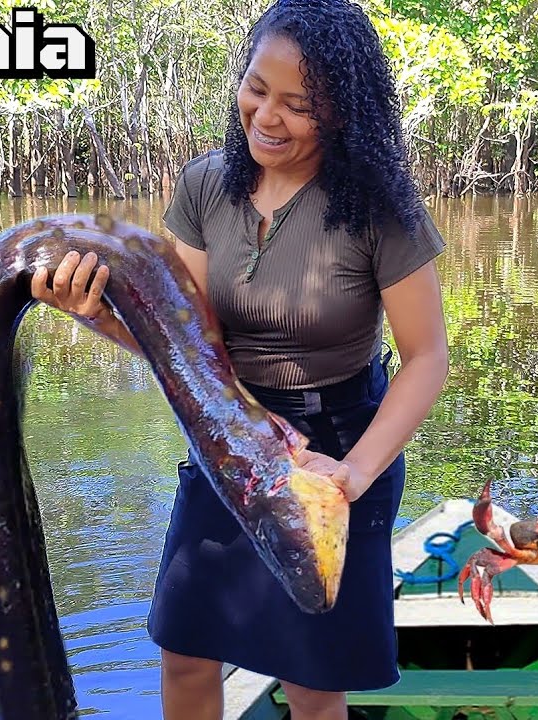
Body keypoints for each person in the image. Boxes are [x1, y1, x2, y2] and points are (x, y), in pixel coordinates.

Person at [31, 0, 449, 717]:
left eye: (298, 104)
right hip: (222, 435)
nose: (267, 116)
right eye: (257, 88)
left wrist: (352, 474)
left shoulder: (380, 208)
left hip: (339, 445)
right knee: (186, 653)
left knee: (312, 681)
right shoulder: (206, 186)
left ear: (343, 111)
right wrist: (96, 315)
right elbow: (186, 350)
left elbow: (427, 358)